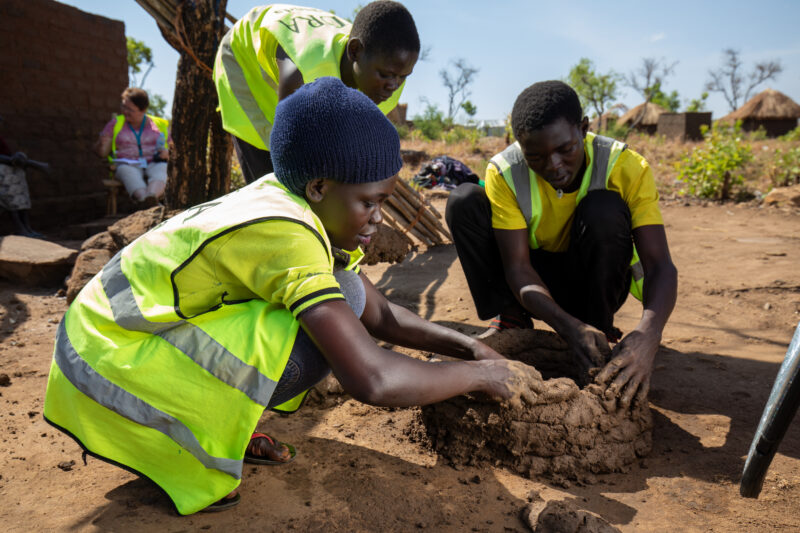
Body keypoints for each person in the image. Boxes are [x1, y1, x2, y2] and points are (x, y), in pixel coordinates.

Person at [43, 77, 518, 515]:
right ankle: (188, 448)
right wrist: (478, 377)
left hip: (117, 345)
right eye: (369, 202)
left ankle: (221, 426)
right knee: (323, 333)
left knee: (346, 294)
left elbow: (381, 313)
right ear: (318, 188)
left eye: (384, 202)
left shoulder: (291, 199)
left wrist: (472, 347)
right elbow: (372, 379)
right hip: (106, 367)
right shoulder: (285, 233)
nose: (378, 219)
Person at [445, 80, 678, 410]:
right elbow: (518, 268)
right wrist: (568, 328)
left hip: (592, 281)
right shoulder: (506, 171)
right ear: (520, 146)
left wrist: (647, 336)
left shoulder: (626, 168)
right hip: (530, 285)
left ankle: (598, 330)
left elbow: (659, 266)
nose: (553, 165)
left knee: (604, 209)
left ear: (583, 129)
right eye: (536, 156)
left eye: (565, 149)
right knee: (464, 200)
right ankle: (512, 321)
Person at [214, 1, 419, 183]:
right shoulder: (302, 72)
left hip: (299, 48)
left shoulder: (387, 71)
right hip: (244, 54)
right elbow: (288, 143)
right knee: (273, 173)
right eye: (385, 75)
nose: (394, 85)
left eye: (403, 76)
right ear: (354, 51)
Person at [95, 88, 170, 207]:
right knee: (127, 172)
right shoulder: (116, 123)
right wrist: (102, 143)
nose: (125, 111)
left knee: (162, 169)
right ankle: (147, 202)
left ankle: (151, 198)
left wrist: (167, 153)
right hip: (127, 163)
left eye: (130, 109)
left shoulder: (158, 124)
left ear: (143, 110)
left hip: (155, 161)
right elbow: (102, 153)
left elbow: (173, 147)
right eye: (123, 106)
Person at [0, 116, 47, 238]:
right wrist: (14, 160)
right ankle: (20, 228)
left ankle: (27, 228)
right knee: (11, 200)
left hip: (12, 172)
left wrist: (18, 158)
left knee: (22, 199)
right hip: (3, 174)